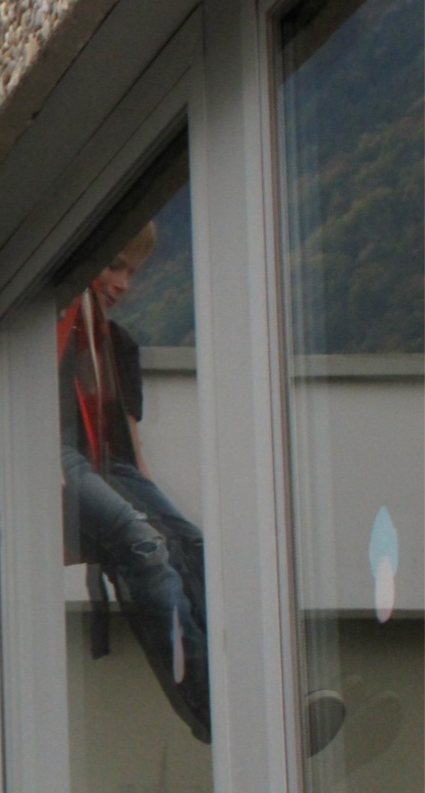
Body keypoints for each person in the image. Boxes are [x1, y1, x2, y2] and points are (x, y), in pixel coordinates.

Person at [59, 222, 345, 754]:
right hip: (51, 453)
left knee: (191, 547)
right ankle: (219, 714)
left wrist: (156, 514)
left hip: (107, 464)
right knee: (142, 547)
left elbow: (131, 456)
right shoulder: (51, 326)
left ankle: (262, 695)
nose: (122, 283)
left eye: (132, 272)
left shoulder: (116, 345)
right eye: (114, 266)